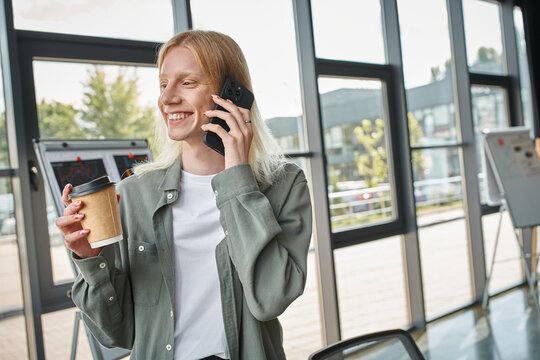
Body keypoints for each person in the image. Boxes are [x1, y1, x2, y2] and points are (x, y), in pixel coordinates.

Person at [55, 30, 312, 360]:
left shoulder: (284, 184)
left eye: (187, 83)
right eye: (163, 85)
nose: (167, 99)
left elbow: (271, 298)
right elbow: (116, 335)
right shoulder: (134, 193)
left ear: (230, 96)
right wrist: (91, 260)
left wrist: (237, 181)